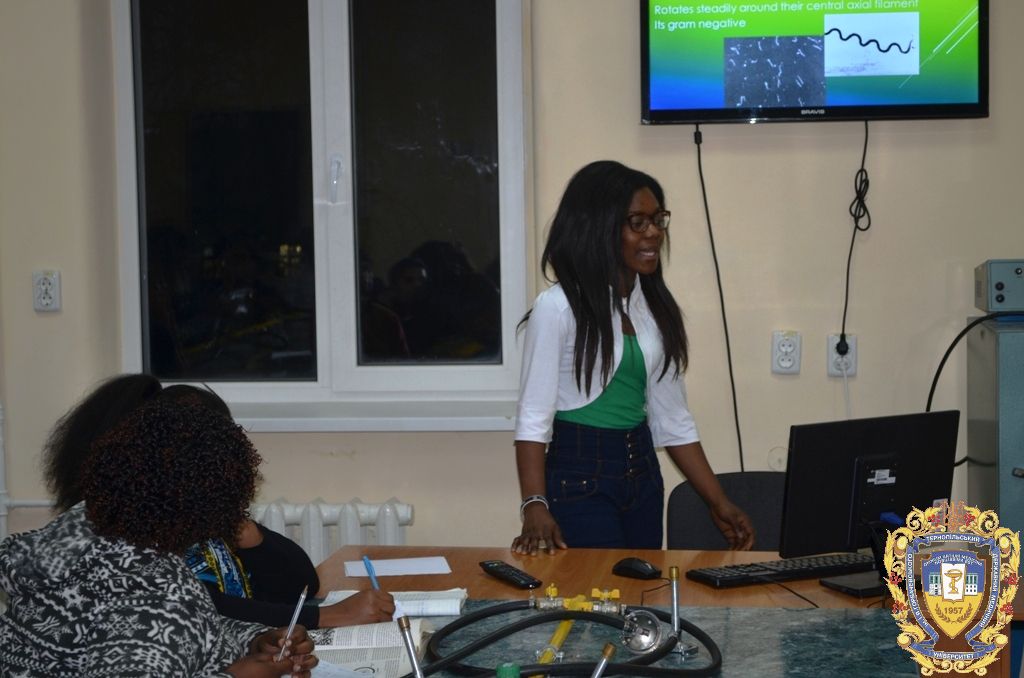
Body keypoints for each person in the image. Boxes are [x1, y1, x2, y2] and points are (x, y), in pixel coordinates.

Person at [511, 160, 755, 554]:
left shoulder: (654, 308)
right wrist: (534, 503)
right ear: (599, 228)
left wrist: (718, 501)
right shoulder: (557, 307)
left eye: (658, 220)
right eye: (637, 222)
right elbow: (533, 417)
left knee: (644, 588)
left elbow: (672, 419)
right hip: (579, 477)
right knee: (600, 590)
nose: (654, 232)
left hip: (643, 475)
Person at [40, 374, 394, 629]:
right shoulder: (125, 535)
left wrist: (253, 537)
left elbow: (303, 584)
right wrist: (326, 616)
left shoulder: (195, 516)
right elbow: (197, 609)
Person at [0, 399, 317, 677]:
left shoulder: (83, 523)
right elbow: (155, 624)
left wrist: (252, 638)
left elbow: (167, 630)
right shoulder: (156, 596)